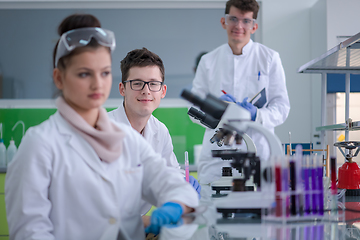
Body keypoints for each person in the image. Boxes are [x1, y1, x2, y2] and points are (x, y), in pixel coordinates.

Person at [5, 14, 198, 240]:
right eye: (84, 73)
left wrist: (175, 204)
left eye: (104, 72)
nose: (98, 83)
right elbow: (30, 233)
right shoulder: (39, 145)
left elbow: (173, 185)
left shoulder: (126, 138)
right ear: (59, 78)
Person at [191, 0, 290, 185]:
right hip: (217, 157)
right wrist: (215, 110)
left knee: (259, 207)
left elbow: (282, 107)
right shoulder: (208, 61)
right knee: (214, 207)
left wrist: (257, 115)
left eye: (246, 21)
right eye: (233, 19)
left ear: (254, 26)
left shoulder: (269, 58)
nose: (238, 26)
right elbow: (194, 108)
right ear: (223, 22)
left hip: (259, 153)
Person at [108, 48, 201, 224]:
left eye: (153, 83)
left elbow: (170, 172)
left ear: (163, 91)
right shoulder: (103, 132)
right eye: (137, 83)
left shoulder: (160, 130)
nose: (146, 91)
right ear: (122, 89)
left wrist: (182, 183)